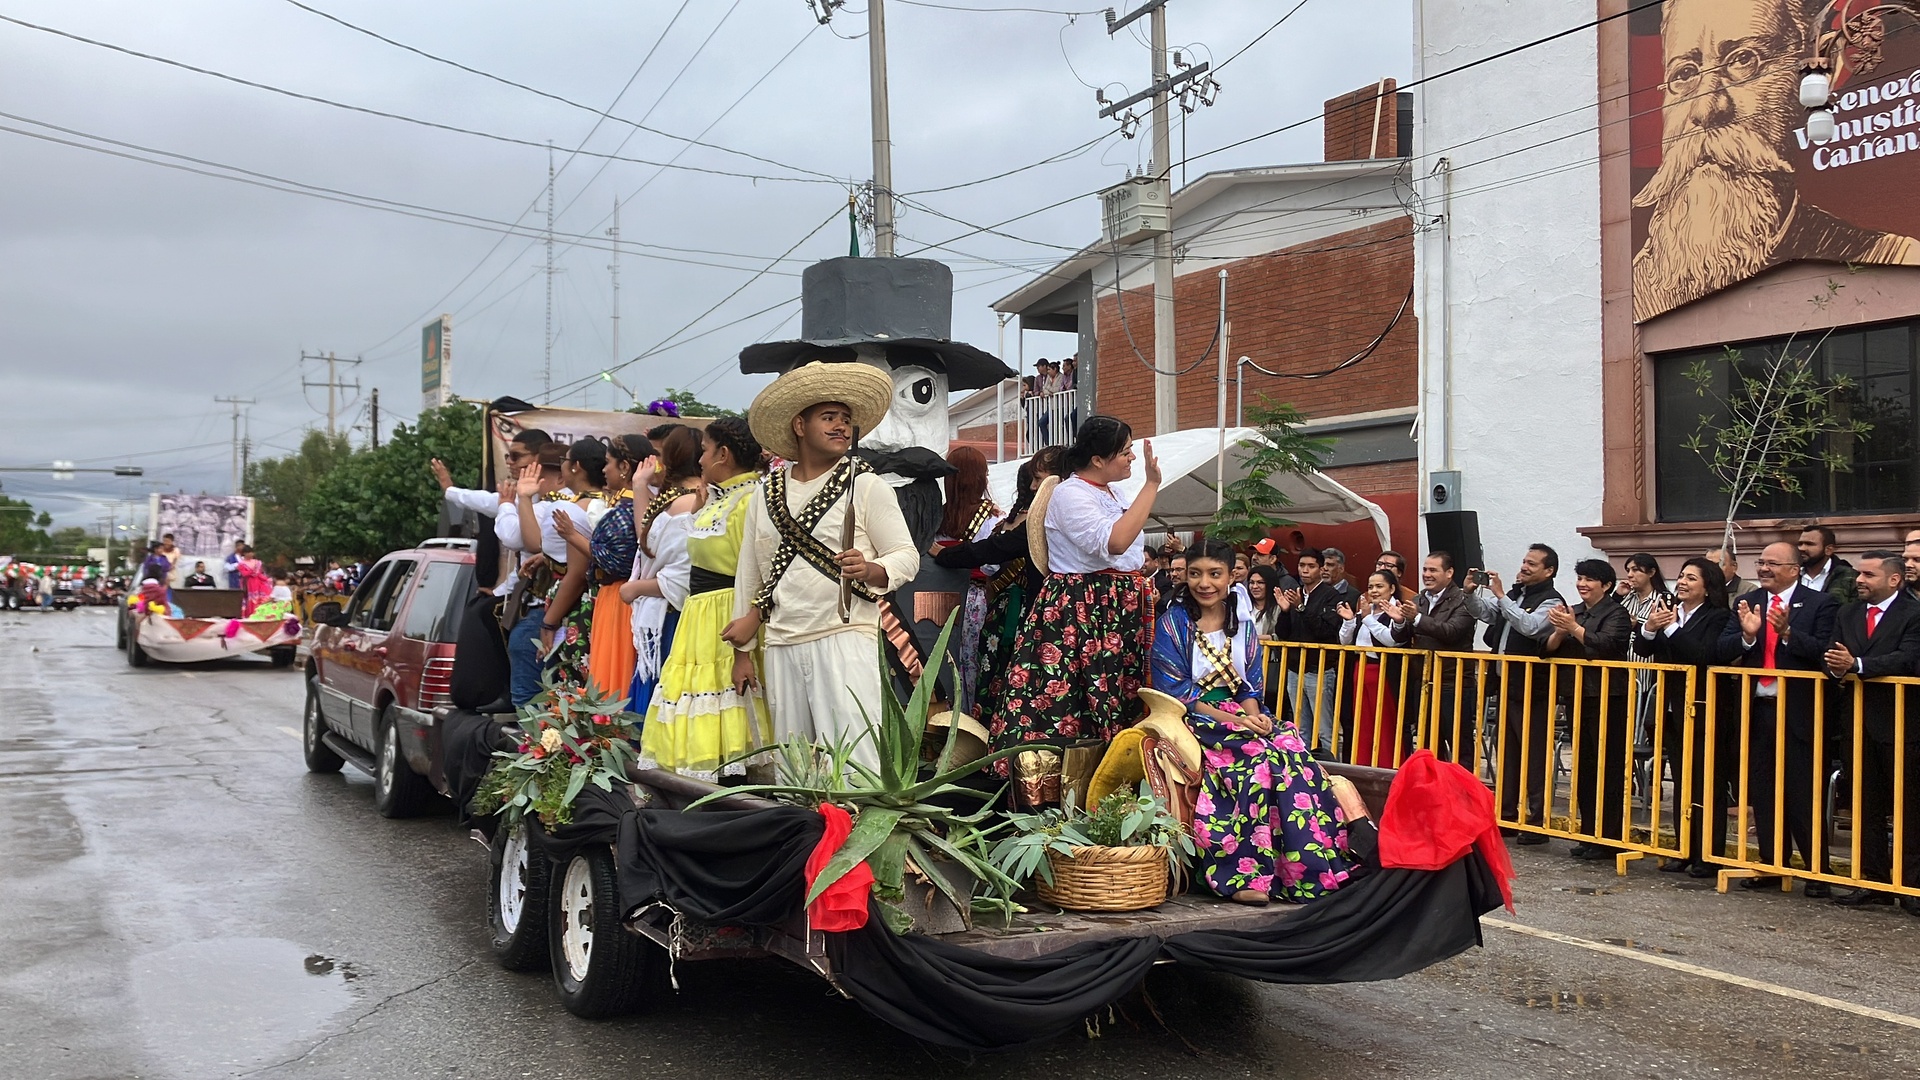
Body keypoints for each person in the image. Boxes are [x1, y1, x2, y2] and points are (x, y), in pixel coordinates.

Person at [726, 363, 920, 773]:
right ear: (800, 425)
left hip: (845, 635)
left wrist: (870, 569)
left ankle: (854, 834)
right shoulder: (766, 493)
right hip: (780, 641)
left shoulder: (866, 485)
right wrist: (743, 652)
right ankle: (802, 836)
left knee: (854, 761)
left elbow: (906, 555)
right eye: (828, 417)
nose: (841, 427)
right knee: (792, 764)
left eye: (846, 420)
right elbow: (751, 573)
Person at [1149, 539, 1356, 905]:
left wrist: (1255, 715)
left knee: (1295, 758)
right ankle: (1244, 873)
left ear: (1231, 576)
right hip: (1194, 717)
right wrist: (1236, 719)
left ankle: (1309, 869)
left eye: (1215, 574)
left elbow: (1249, 686)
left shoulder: (1242, 624)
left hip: (1238, 714)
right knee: (1258, 763)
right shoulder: (1172, 624)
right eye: (1195, 574)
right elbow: (1177, 692)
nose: (1204, 583)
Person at [984, 415, 1160, 780]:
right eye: (1125, 452)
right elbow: (1114, 542)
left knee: (1116, 691)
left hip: (1113, 606)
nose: (1131, 458)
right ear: (1098, 459)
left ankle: (1110, 778)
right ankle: (1054, 784)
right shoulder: (1069, 493)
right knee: (1068, 695)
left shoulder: (1113, 492)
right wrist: (1152, 487)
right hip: (1081, 606)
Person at [641, 418, 772, 780]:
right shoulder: (720, 498)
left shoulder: (751, 500)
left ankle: (732, 787)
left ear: (723, 454)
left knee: (727, 700)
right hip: (699, 613)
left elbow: (761, 571)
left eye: (705, 451)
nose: (700, 461)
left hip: (727, 611)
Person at [1715, 540, 1838, 896]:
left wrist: (1787, 633)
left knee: (1802, 794)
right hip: (1759, 711)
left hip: (1800, 713)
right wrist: (1748, 637)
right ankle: (1771, 864)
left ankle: (1818, 871)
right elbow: (1722, 650)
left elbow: (1827, 653)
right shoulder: (1748, 603)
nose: (1764, 569)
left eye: (1772, 563)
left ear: (1794, 570)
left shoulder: (1821, 604)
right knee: (1764, 791)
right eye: (1761, 562)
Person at [1822, 551, 1920, 912]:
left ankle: (1911, 885)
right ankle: (1872, 881)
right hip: (1857, 722)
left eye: (1868, 575)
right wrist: (1836, 668)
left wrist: (1859, 665)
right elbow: (1830, 655)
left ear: (1894, 580)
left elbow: (1908, 657)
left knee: (1909, 806)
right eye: (1859, 574)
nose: (1859, 580)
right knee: (1865, 804)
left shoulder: (1913, 614)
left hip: (1902, 723)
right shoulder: (1847, 613)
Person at [935, 446, 1061, 723]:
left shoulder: (936, 517)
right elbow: (992, 559)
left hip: (954, 600)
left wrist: (944, 553)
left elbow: (994, 553)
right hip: (988, 601)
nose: (1032, 485)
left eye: (1038, 478)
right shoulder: (993, 517)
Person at [1463, 544, 1567, 840]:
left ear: (1548, 571)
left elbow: (1531, 626)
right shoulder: (1516, 594)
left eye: (1531, 564)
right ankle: (1507, 813)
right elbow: (1486, 614)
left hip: (1533, 689)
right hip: (1506, 685)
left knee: (1534, 755)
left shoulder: (1552, 600)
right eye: (1523, 561)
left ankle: (1538, 819)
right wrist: (1470, 592)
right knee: (1506, 752)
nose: (1523, 567)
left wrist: (1499, 595)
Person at [1639, 558, 1734, 876]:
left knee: (1707, 781)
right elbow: (1643, 648)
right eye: (1680, 576)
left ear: (1707, 587)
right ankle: (1684, 848)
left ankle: (1708, 853)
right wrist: (1651, 628)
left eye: (1691, 578)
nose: (1682, 582)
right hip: (1673, 706)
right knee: (1681, 778)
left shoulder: (1718, 617)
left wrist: (1672, 627)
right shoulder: (1669, 612)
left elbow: (1702, 655)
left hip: (1705, 706)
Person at [1547, 559, 1633, 859]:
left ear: (1606, 585)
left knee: (1607, 766)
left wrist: (1575, 628)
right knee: (1583, 765)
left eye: (1589, 580)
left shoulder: (1617, 613)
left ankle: (1609, 836)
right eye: (1580, 578)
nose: (1583, 584)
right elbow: (1545, 651)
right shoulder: (1575, 611)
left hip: (1609, 696)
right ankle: (1588, 831)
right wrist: (1560, 632)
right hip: (1578, 694)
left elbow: (1606, 645)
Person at [621, 426, 703, 719]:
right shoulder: (680, 498)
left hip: (676, 613)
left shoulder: (692, 501)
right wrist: (640, 486)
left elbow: (682, 576)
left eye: (658, 453)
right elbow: (648, 539)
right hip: (663, 611)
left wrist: (638, 588)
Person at [562, 434, 653, 699]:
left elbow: (619, 560)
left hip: (619, 598)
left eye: (609, 462)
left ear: (625, 467)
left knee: (613, 678)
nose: (604, 470)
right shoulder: (630, 504)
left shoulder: (626, 509)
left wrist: (574, 537)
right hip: (613, 597)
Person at [500, 444, 587, 707]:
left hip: (565, 609)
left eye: (541, 473)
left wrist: (519, 500)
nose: (535, 480)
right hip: (581, 610)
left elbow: (524, 540)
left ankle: (541, 745)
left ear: (567, 473)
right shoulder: (596, 504)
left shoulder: (560, 507)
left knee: (536, 699)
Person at [934, 446, 1003, 715]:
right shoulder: (992, 517)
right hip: (975, 597)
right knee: (973, 657)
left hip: (938, 598)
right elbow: (991, 566)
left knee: (943, 655)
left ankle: (943, 714)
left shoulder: (936, 517)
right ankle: (971, 718)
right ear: (980, 478)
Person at [541, 439, 614, 688]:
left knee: (568, 688)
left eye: (565, 461)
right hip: (602, 602)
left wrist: (549, 621)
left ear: (576, 467)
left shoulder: (570, 510)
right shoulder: (609, 503)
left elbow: (576, 573)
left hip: (575, 607)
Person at [1391, 551, 1476, 762]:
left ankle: (1463, 791)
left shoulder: (1462, 600)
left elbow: (1451, 632)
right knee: (1428, 743)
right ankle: (1434, 790)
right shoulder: (1418, 599)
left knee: (1458, 743)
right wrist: (1400, 622)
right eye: (1425, 569)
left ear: (1449, 573)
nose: (1426, 575)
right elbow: (1404, 638)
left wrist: (1417, 618)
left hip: (1452, 683)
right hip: (1423, 681)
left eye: (1433, 570)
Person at [1338, 569, 1410, 769]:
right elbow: (1345, 641)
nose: (1374, 591)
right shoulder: (1366, 610)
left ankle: (1388, 767)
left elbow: (1391, 641)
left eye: (1379, 586)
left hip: (1383, 672)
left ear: (1392, 588)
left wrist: (1368, 619)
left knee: (1385, 724)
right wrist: (1350, 621)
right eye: (1371, 587)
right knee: (1363, 724)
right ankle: (1363, 765)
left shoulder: (1396, 611)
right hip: (1360, 670)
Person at [1275, 547, 1342, 755]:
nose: (1305, 570)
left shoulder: (1331, 595)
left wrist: (1301, 608)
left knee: (1324, 729)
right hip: (1295, 667)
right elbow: (1283, 633)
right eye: (1302, 566)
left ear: (1321, 569)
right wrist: (1286, 612)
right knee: (1300, 727)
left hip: (1319, 668)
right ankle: (1303, 771)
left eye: (1311, 566)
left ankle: (1336, 771)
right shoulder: (1295, 594)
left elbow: (1326, 630)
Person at [1798, 524, 1858, 607]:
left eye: (1809, 544)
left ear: (1828, 550)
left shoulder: (1849, 577)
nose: (1802, 548)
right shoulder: (1789, 574)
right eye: (1800, 544)